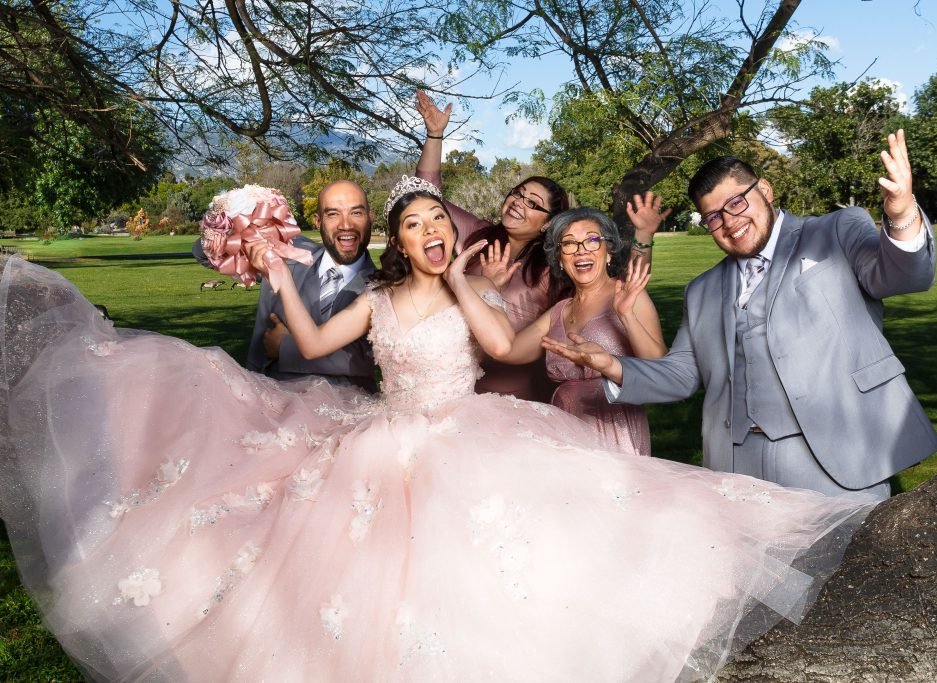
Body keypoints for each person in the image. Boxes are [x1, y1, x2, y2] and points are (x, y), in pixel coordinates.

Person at [0, 177, 874, 682]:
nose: (425, 231)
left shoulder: (471, 286)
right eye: (411, 224)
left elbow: (502, 344)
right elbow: (307, 343)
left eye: (433, 222)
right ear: (396, 241)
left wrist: (562, 298)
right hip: (384, 435)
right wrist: (271, 263)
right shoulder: (376, 300)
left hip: (472, 433)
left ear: (445, 234)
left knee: (540, 551)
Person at [544, 130, 937, 500]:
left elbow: (905, 275)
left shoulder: (835, 231)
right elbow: (682, 375)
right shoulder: (701, 290)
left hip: (839, 455)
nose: (729, 222)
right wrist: (612, 365)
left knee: (847, 574)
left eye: (736, 203)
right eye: (713, 216)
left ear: (764, 190)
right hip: (737, 469)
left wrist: (902, 213)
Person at [414, 90, 668, 401]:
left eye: (533, 203)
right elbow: (427, 196)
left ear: (549, 221)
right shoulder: (476, 237)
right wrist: (435, 134)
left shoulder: (555, 264)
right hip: (461, 382)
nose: (519, 203)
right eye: (518, 194)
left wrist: (643, 237)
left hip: (521, 392)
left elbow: (625, 284)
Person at [503, 207, 666, 455]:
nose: (581, 250)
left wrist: (626, 316)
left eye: (592, 240)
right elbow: (508, 350)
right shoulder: (558, 311)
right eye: (569, 243)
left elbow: (660, 371)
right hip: (565, 431)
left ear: (608, 251)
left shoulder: (628, 296)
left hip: (615, 429)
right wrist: (489, 292)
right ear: (559, 258)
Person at [192, 179, 376, 390]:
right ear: (317, 221)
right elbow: (202, 254)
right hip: (266, 399)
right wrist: (234, 221)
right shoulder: (287, 250)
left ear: (371, 218)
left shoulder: (385, 285)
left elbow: (368, 358)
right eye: (333, 214)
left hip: (347, 410)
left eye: (356, 213)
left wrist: (285, 346)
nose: (346, 224)